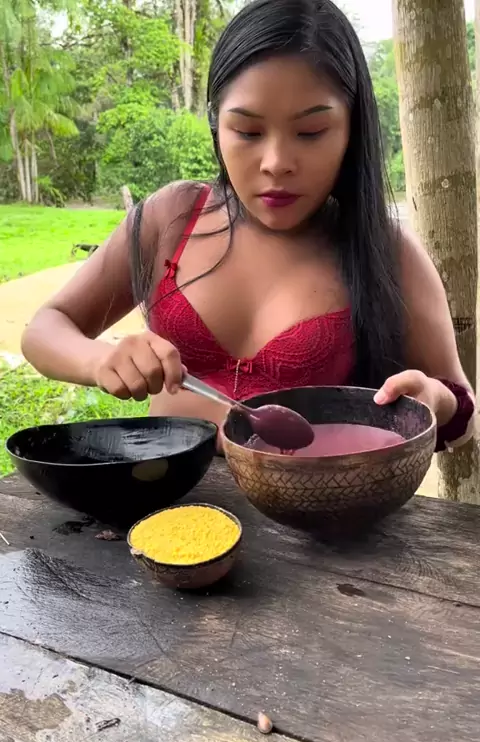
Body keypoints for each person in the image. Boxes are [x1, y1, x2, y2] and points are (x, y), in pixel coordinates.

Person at [22, 0, 475, 451]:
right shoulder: (171, 219)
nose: (276, 163)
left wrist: (435, 401)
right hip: (166, 493)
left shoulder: (385, 251)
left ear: (351, 130)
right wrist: (100, 360)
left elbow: (463, 414)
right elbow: (45, 327)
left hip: (321, 499)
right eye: (248, 132)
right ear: (216, 123)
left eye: (311, 132)